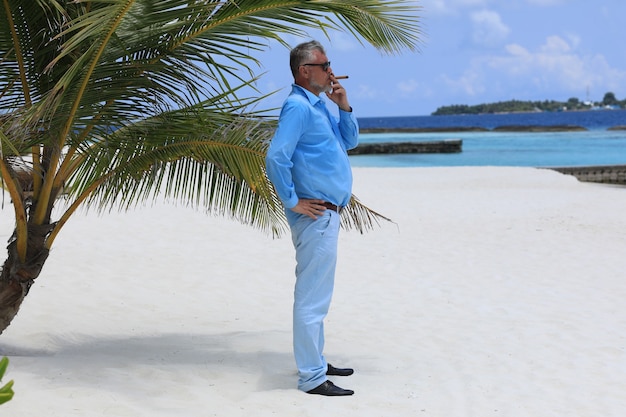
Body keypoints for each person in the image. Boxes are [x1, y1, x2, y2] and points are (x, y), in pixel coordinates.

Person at [265, 40, 358, 396]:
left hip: (327, 215)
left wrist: (343, 105)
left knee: (318, 293)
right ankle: (312, 376)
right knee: (311, 297)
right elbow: (277, 157)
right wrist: (292, 200)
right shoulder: (298, 108)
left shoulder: (318, 105)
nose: (330, 70)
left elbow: (348, 142)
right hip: (316, 215)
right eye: (324, 64)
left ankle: (315, 358)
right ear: (305, 71)